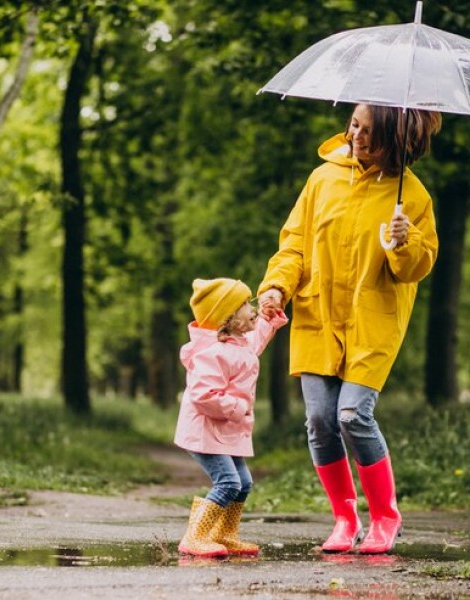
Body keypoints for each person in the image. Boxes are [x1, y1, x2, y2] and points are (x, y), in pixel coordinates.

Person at [258, 104, 442, 555]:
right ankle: (344, 517)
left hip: (371, 321)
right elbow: (294, 245)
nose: (356, 136)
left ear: (395, 141)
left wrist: (406, 242)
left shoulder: (412, 197)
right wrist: (276, 287)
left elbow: (415, 269)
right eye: (353, 125)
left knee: (352, 415)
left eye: (369, 132)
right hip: (318, 316)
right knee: (320, 423)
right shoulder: (321, 180)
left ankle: (385, 516)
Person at [174, 277, 288, 558]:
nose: (252, 309)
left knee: (244, 483)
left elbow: (256, 339)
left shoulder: (239, 343)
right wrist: (237, 407)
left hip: (225, 431)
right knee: (228, 482)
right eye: (245, 305)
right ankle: (195, 537)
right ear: (228, 318)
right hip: (204, 431)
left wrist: (267, 318)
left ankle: (224, 534)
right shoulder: (212, 353)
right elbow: (203, 395)